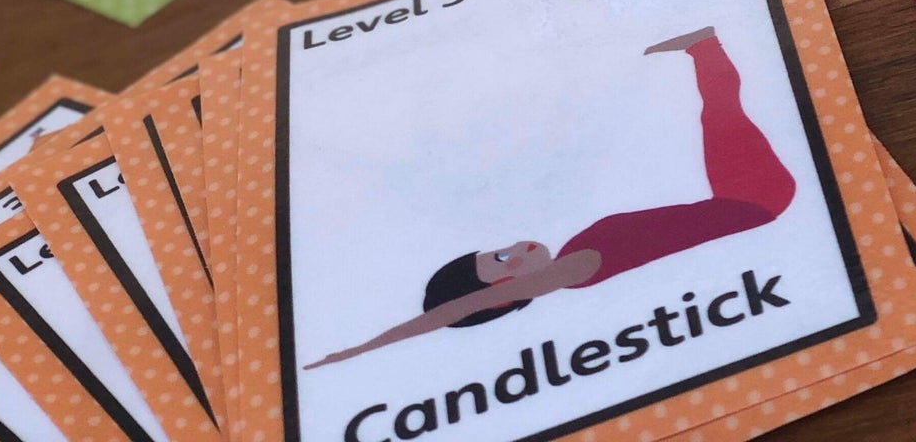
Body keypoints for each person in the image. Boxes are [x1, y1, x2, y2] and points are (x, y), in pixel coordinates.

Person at [305, 26, 796, 368]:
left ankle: (703, 45)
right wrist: (360, 351)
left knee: (719, 112)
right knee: (721, 112)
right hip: (754, 199)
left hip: (738, 200)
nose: (517, 249)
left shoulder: (573, 258)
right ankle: (704, 44)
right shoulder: (575, 270)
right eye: (505, 263)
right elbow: (453, 311)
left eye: (500, 250)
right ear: (504, 295)